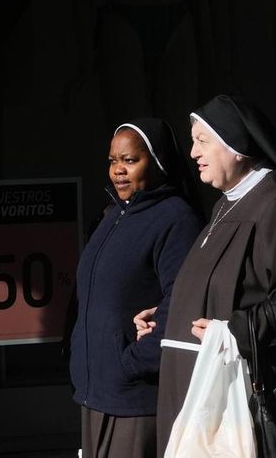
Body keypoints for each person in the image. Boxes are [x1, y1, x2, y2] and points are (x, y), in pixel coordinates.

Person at [135, 94, 276, 457]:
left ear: (235, 146)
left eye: (202, 141)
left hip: (251, 397)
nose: (192, 153)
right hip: (199, 387)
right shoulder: (229, 203)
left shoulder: (275, 205)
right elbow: (219, 286)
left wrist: (234, 330)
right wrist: (165, 319)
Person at [69, 118, 202, 457]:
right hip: (95, 392)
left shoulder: (175, 218)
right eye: (113, 161)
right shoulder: (113, 213)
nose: (118, 171)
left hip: (136, 398)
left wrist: (137, 361)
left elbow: (184, 299)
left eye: (130, 160)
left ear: (156, 162)